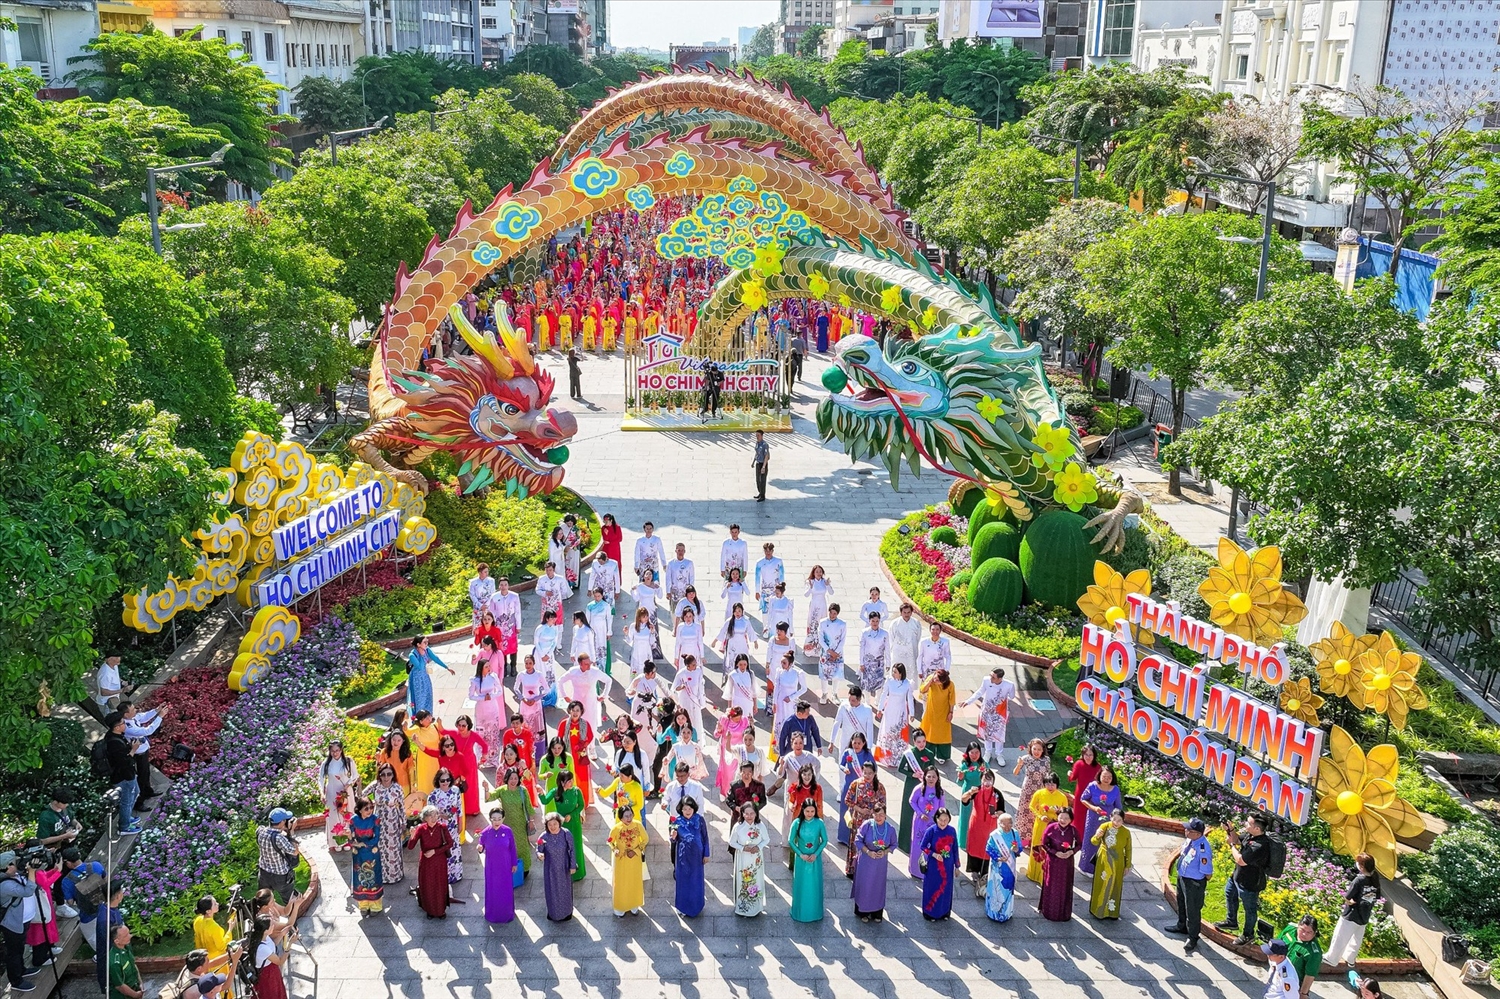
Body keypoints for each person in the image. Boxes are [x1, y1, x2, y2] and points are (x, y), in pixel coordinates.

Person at [1219, 814, 1274, 945]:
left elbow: (1240, 860)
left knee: (1249, 909)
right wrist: (1230, 829)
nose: (1245, 824)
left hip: (1250, 883)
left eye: (1248, 823)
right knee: (1229, 894)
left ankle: (1248, 934)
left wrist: (1232, 846)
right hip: (1237, 877)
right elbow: (1237, 839)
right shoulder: (1250, 835)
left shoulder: (1260, 846)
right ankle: (1231, 921)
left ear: (1256, 828)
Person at [1325, 852, 1382, 971]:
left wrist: (1348, 902)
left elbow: (1348, 897)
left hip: (1351, 915)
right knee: (1356, 940)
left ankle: (1332, 958)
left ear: (1361, 867)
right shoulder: (1375, 877)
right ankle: (1350, 959)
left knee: (1340, 936)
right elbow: (1376, 896)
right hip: (1364, 916)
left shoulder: (1359, 880)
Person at [851, 802, 897, 922]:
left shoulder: (890, 829)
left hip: (880, 864)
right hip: (866, 861)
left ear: (886, 815)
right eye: (876, 815)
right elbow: (858, 840)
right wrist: (868, 852)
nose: (878, 817)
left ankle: (877, 912)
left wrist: (885, 851)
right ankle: (863, 912)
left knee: (878, 886)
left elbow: (894, 844)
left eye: (881, 815)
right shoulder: (867, 825)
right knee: (865, 885)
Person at [962, 667, 1018, 766]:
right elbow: (980, 691)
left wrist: (1002, 702)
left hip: (1000, 713)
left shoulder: (1009, 685)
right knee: (987, 732)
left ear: (1000, 678)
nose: (991, 678)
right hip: (986, 711)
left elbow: (1012, 696)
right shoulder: (986, 680)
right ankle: (988, 752)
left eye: (993, 677)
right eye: (991, 675)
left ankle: (999, 754)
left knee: (999, 733)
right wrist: (968, 701)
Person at [539, 769, 587, 882]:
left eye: (572, 780)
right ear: (561, 782)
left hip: (574, 822)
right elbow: (545, 801)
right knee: (563, 847)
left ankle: (578, 873)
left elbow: (581, 805)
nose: (571, 783)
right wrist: (540, 793)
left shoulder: (576, 791)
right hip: (561, 824)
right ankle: (564, 873)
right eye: (568, 781)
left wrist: (572, 814)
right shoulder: (555, 792)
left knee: (576, 846)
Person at [895, 729, 938, 852]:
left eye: (923, 741)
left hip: (925, 786)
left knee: (925, 810)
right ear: (914, 742)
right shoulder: (909, 754)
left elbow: (933, 770)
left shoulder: (929, 753)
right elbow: (900, 769)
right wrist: (911, 774)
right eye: (919, 742)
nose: (921, 744)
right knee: (908, 812)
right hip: (911, 784)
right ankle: (905, 843)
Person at [842, 761, 885, 877]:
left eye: (870, 773)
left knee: (870, 843)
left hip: (873, 820)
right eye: (865, 773)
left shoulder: (879, 787)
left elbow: (883, 803)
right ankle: (853, 869)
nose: (867, 776)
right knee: (856, 843)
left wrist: (873, 811)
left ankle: (868, 869)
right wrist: (860, 810)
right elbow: (847, 800)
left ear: (875, 773)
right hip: (858, 820)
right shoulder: (856, 784)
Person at [670, 796, 711, 917]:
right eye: (685, 809)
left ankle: (697, 906)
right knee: (683, 881)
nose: (688, 811)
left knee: (696, 881)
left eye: (690, 808)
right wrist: (672, 836)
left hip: (697, 857)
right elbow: (673, 841)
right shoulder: (676, 822)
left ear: (694, 808)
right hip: (683, 857)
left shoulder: (700, 819)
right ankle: (682, 907)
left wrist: (706, 854)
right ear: (681, 810)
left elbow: (705, 837)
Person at [1078, 765, 1123, 875]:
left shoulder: (1115, 789)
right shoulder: (1092, 786)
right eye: (1104, 776)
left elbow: (1118, 806)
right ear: (1100, 776)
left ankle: (1102, 867)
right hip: (1093, 817)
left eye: (1109, 777)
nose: (1106, 779)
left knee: (1105, 842)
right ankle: (1086, 867)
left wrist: (1119, 820)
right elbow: (1083, 799)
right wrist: (1093, 808)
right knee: (1090, 841)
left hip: (1108, 819)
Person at [728, 802, 771, 916]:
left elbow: (766, 839)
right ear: (742, 813)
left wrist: (758, 847)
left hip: (756, 857)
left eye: (752, 813)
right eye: (746, 813)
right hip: (743, 857)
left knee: (755, 878)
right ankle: (742, 906)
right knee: (743, 879)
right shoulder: (738, 827)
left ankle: (755, 906)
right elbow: (731, 842)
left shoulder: (760, 826)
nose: (749, 816)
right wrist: (743, 848)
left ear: (756, 814)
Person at [489, 768, 534, 877]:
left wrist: (531, 821)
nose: (513, 781)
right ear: (507, 779)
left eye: (515, 778)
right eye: (511, 778)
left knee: (522, 846)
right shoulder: (502, 790)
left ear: (518, 779)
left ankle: (525, 869)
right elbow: (489, 797)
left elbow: (528, 807)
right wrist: (486, 789)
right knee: (508, 847)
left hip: (520, 824)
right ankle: (509, 868)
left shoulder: (522, 791)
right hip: (506, 825)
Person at [366, 764, 407, 884]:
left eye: (389, 774)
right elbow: (362, 795)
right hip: (378, 822)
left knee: (393, 849)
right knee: (380, 848)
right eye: (383, 774)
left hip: (392, 822)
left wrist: (403, 822)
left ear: (393, 775)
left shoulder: (397, 788)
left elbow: (402, 807)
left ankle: (395, 876)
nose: (386, 777)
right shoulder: (376, 786)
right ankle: (382, 876)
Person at [476, 808, 518, 924]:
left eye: (499, 819)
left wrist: (514, 863)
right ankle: (492, 913)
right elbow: (481, 845)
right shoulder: (485, 832)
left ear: (503, 819)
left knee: (506, 889)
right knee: (492, 889)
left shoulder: (508, 831)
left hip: (505, 865)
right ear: (490, 819)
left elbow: (512, 848)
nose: (497, 821)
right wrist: (480, 848)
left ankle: (507, 913)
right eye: (494, 819)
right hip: (492, 866)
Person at [1089, 808, 1132, 920]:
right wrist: (1097, 835)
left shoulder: (1126, 832)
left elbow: (1128, 849)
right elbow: (1093, 842)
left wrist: (1127, 865)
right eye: (1114, 819)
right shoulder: (1104, 826)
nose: (1116, 823)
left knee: (1115, 885)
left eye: (1120, 820)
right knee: (1102, 883)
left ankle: (1111, 912)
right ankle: (1098, 910)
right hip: (1104, 859)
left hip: (1118, 862)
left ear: (1123, 821)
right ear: (1110, 817)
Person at [788, 798, 827, 922]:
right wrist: (800, 854)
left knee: (814, 885)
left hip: (815, 859)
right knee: (801, 884)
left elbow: (824, 840)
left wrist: (816, 854)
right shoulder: (797, 823)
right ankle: (800, 911)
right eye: (807, 811)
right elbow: (791, 841)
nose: (809, 814)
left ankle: (815, 912)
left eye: (812, 811)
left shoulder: (819, 823)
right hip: (801, 860)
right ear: (802, 810)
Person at [962, 769, 1004, 884]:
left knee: (987, 847)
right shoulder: (975, 790)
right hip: (976, 824)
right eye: (985, 778)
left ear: (993, 781)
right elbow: (964, 800)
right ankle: (974, 870)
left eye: (989, 779)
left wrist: (997, 814)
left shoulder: (997, 793)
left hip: (990, 826)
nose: (987, 782)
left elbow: (1002, 810)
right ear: (981, 779)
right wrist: (969, 792)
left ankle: (985, 872)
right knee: (975, 845)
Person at [1039, 807, 1080, 922]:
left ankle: (1063, 913)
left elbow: (1079, 844)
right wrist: (1055, 852)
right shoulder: (1051, 828)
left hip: (1066, 863)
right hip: (1053, 861)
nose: (1063, 820)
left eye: (1066, 818)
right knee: (1051, 885)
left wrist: (1071, 852)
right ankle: (1049, 911)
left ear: (1071, 819)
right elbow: (1044, 843)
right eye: (1061, 817)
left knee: (1065, 886)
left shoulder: (1073, 830)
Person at [1026, 773, 1070, 884]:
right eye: (1048, 784)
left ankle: (1046, 875)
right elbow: (1031, 806)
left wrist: (1057, 816)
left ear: (1057, 784)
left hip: (1055, 825)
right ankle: (1034, 873)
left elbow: (1065, 811)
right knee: (1038, 845)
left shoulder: (1062, 797)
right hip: (1041, 824)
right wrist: (1040, 815)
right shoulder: (1039, 793)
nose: (1050, 786)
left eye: (1053, 784)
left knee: (1050, 847)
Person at [102, 713, 141, 834]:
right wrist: (133, 749)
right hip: (123, 777)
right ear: (117, 727)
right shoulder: (115, 743)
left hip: (127, 775)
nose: (125, 725)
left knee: (135, 793)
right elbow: (125, 762)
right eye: (123, 723)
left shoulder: (114, 736)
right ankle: (124, 827)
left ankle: (127, 817)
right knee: (126, 801)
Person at [535, 812, 578, 921]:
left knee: (565, 890)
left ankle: (567, 912)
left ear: (559, 823)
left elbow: (572, 850)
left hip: (564, 867)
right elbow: (539, 849)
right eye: (550, 825)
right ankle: (553, 913)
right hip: (550, 868)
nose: (552, 827)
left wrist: (572, 865)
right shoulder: (543, 836)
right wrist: (539, 855)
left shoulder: (566, 834)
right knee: (552, 891)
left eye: (555, 824)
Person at [121, 700, 165, 807]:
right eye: (132, 709)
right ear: (126, 714)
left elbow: (144, 716)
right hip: (138, 754)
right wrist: (160, 717)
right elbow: (147, 731)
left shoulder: (133, 718)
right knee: (141, 776)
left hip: (143, 751)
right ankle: (140, 801)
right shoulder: (128, 727)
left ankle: (148, 791)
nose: (135, 710)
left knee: (145, 773)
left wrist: (156, 710)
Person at [607, 804, 649, 916]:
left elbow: (645, 839)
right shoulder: (616, 828)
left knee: (634, 881)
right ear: (620, 817)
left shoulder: (638, 825)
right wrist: (615, 849)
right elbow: (610, 841)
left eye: (630, 815)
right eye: (626, 816)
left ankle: (634, 904)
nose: (629, 818)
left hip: (634, 859)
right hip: (621, 859)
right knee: (621, 882)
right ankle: (620, 906)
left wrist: (636, 850)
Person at [919, 808, 960, 920]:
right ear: (936, 818)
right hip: (933, 866)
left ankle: (945, 912)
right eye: (940, 819)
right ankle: (929, 913)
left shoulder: (952, 831)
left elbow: (955, 848)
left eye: (945, 820)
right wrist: (934, 854)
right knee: (932, 888)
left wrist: (957, 866)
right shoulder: (931, 830)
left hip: (947, 865)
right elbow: (923, 846)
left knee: (946, 889)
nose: (943, 822)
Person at [1012, 737, 1052, 853]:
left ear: (1043, 750)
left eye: (1039, 749)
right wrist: (1019, 764)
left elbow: (1048, 775)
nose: (1037, 752)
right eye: (1035, 749)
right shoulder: (1026, 759)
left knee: (1037, 815)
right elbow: (1015, 773)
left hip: (1040, 791)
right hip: (1028, 790)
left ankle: (1036, 839)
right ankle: (1023, 840)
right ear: (1031, 748)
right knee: (1025, 814)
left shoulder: (1046, 760)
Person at [426, 768, 466, 883]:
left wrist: (460, 824)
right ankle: (443, 876)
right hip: (439, 827)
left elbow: (459, 808)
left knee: (454, 849)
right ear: (438, 781)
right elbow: (429, 813)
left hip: (453, 825)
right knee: (442, 851)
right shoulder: (433, 795)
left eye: (448, 780)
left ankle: (456, 874)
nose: (445, 783)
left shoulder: (455, 791)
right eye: (442, 780)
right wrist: (440, 815)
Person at [835, 732, 874, 846]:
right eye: (854, 742)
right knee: (846, 811)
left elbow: (874, 767)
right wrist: (844, 769)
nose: (856, 745)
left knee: (859, 813)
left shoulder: (867, 754)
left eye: (859, 743)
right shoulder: (848, 752)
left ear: (864, 743)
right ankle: (844, 837)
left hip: (862, 787)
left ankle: (858, 838)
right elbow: (841, 764)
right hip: (848, 786)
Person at [559, 654, 614, 734]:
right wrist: (565, 696)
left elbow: (608, 680)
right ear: (580, 664)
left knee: (591, 725)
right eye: (586, 664)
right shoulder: (573, 671)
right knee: (576, 725)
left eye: (590, 663)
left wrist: (604, 695)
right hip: (577, 703)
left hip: (590, 703)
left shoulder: (595, 672)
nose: (589, 666)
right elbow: (560, 681)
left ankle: (590, 744)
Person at [256, 808, 300, 904]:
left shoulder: (260, 831)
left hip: (263, 873)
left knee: (263, 902)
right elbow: (295, 852)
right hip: (280, 876)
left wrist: (283, 830)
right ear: (282, 822)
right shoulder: (279, 838)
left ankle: (265, 917)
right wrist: (291, 832)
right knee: (290, 901)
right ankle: (293, 917)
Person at [906, 766, 944, 878]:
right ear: (925, 777)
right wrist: (919, 813)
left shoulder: (940, 791)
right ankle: (915, 869)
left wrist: (940, 820)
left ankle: (928, 868)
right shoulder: (919, 788)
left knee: (930, 846)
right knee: (917, 844)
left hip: (933, 824)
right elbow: (912, 801)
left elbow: (942, 808)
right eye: (929, 776)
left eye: (934, 776)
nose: (931, 779)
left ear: (937, 778)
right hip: (920, 822)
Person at [984, 814, 1024, 922]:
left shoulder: (1014, 833)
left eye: (1009, 823)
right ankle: (993, 912)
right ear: (999, 823)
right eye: (1003, 824)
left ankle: (1006, 912)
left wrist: (1017, 850)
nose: (1006, 826)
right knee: (995, 889)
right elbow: (988, 848)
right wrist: (998, 857)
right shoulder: (994, 835)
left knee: (1008, 888)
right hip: (997, 867)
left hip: (1010, 867)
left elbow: (1020, 848)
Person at [349, 797, 383, 915]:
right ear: (359, 810)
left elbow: (376, 837)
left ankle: (375, 906)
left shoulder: (375, 820)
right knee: (360, 878)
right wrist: (350, 839)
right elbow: (350, 836)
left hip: (371, 851)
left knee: (373, 877)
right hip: (358, 853)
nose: (370, 810)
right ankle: (363, 905)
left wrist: (364, 844)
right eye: (366, 808)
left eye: (371, 807)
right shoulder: (353, 820)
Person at [319, 741, 355, 851]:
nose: (335, 753)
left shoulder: (348, 761)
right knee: (333, 815)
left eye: (337, 751)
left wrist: (348, 784)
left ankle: (347, 840)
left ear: (341, 750)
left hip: (345, 792)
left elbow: (355, 775)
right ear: (329, 751)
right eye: (333, 751)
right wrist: (322, 793)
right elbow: (320, 779)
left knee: (346, 814)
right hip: (331, 792)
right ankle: (336, 841)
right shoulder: (326, 764)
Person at [724, 762, 769, 847]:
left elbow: (763, 801)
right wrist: (736, 807)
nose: (746, 775)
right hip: (738, 817)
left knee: (754, 841)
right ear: (740, 772)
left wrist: (755, 810)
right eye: (744, 772)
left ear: (752, 773)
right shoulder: (734, 786)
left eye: (749, 773)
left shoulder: (759, 786)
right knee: (736, 843)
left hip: (753, 818)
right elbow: (728, 800)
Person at [406, 636, 454, 716]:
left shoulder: (427, 649)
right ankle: (419, 717)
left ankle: (428, 716)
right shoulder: (412, 655)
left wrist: (447, 667)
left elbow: (435, 658)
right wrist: (421, 655)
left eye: (427, 642)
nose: (426, 644)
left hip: (425, 676)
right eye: (424, 642)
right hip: (416, 679)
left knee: (428, 695)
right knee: (419, 698)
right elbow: (420, 667)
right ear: (418, 644)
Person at [1278, 915, 1324, 998]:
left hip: (1292, 984)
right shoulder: (1290, 929)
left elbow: (1309, 975)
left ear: (1314, 933)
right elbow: (1277, 943)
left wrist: (1303, 994)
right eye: (1302, 930)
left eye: (1309, 932)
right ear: (1298, 926)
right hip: (1278, 975)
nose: (1304, 934)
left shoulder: (1314, 953)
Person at [485, 577, 522, 676]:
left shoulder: (514, 596)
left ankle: (513, 666)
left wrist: (518, 626)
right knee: (502, 647)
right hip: (499, 626)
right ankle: (504, 666)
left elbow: (518, 612)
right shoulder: (494, 597)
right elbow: (491, 612)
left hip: (511, 625)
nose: (503, 587)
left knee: (513, 646)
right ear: (499, 586)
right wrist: (491, 627)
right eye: (501, 585)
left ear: (508, 585)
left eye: (505, 584)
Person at [918, 669, 956, 761]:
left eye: (938, 680)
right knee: (929, 731)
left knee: (942, 733)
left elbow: (952, 700)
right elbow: (922, 690)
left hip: (944, 711)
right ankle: (929, 753)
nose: (935, 681)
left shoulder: (950, 685)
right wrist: (930, 682)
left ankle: (942, 755)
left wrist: (951, 712)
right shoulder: (932, 679)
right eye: (935, 678)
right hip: (931, 710)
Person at [813, 602, 847, 704]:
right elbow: (821, 638)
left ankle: (835, 694)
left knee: (836, 673)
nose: (832, 615)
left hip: (838, 652)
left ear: (837, 614)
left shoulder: (842, 624)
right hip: (825, 652)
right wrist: (829, 651)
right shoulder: (823, 622)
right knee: (824, 673)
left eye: (834, 613)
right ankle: (824, 693)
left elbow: (843, 639)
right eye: (831, 613)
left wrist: (836, 653)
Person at [829, 685, 874, 761]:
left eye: (853, 700)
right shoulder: (844, 706)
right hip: (845, 741)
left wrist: (869, 747)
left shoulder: (867, 710)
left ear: (859, 699)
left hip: (859, 744)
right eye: (849, 699)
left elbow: (870, 729)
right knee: (843, 765)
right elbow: (837, 723)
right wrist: (832, 741)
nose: (850, 702)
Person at [1068, 742, 1103, 829]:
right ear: (1083, 755)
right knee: (1078, 817)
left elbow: (1101, 782)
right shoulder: (1079, 764)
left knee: (1089, 817)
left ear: (1094, 755)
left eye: (1090, 755)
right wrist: (1070, 774)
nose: (1088, 757)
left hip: (1093, 796)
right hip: (1080, 794)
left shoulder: (1098, 767)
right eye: (1086, 754)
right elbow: (1073, 778)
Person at [858, 612, 890, 702]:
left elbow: (887, 648)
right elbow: (861, 648)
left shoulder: (884, 633)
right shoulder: (864, 632)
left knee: (879, 682)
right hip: (867, 662)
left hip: (879, 662)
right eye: (873, 621)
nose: (875, 623)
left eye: (877, 621)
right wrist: (861, 663)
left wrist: (888, 663)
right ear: (869, 621)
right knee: (866, 682)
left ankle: (878, 699)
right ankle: (867, 700)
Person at [409, 711, 443, 794]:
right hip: (424, 761)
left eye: (429, 716)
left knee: (437, 779)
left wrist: (440, 723)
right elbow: (406, 731)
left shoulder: (435, 726)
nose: (429, 719)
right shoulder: (417, 729)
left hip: (436, 759)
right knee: (425, 782)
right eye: (426, 718)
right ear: (421, 721)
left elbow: (443, 735)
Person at [374, 728, 415, 795]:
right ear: (390, 740)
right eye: (394, 740)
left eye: (399, 740)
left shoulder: (407, 753)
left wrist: (412, 786)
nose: (396, 742)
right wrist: (378, 761)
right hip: (389, 784)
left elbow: (411, 771)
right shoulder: (385, 752)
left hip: (404, 785)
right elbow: (380, 770)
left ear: (403, 741)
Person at [107, 923, 142, 999]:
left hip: (134, 989)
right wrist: (136, 995)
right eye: (126, 935)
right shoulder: (114, 962)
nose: (130, 936)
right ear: (117, 941)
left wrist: (140, 984)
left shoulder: (126, 946)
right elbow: (120, 986)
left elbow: (133, 964)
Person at [664, 543, 695, 607]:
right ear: (676, 551)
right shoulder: (671, 563)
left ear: (684, 551)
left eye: (682, 550)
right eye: (679, 550)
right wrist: (668, 591)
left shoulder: (689, 563)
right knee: (674, 611)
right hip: (675, 592)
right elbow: (668, 578)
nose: (680, 552)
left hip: (685, 592)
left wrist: (691, 591)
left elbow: (691, 577)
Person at [467, 563, 496, 627]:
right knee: (479, 626)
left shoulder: (491, 581)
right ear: (480, 572)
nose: (487, 573)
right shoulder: (473, 582)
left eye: (487, 571)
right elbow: (472, 595)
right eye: (485, 572)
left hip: (488, 606)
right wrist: (480, 605)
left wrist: (486, 605)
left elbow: (493, 594)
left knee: (490, 625)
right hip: (478, 607)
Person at [751, 431, 770, 501]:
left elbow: (766, 456)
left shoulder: (765, 445)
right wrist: (753, 461)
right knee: (758, 480)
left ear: (762, 436)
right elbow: (757, 453)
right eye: (756, 435)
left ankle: (763, 495)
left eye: (758, 435)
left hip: (763, 464)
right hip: (758, 463)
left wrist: (764, 467)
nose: (757, 437)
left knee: (762, 480)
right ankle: (760, 492)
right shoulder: (757, 443)